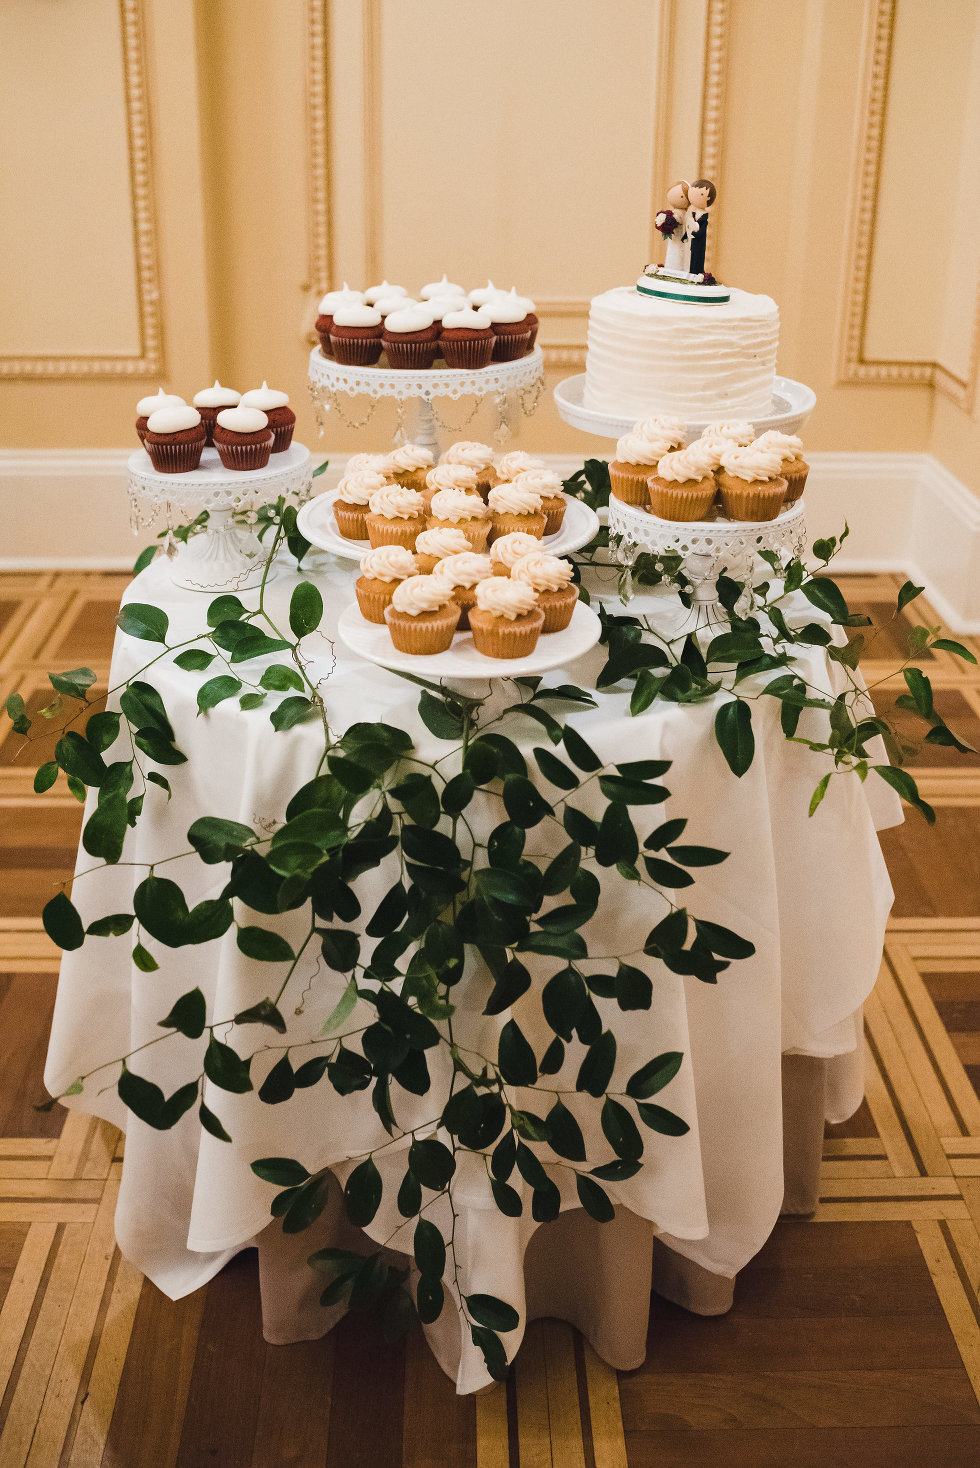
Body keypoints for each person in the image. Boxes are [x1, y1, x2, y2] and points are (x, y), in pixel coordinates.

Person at [655, 180, 691, 274]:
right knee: (673, 251)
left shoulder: (681, 214)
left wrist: (669, 220)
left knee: (679, 252)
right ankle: (672, 267)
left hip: (680, 238)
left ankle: (677, 269)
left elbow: (679, 220)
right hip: (675, 238)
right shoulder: (678, 212)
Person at [686, 178, 717, 278]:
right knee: (691, 256)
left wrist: (695, 234)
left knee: (698, 257)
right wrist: (686, 235)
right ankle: (691, 271)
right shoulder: (693, 213)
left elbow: (702, 230)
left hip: (699, 242)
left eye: (701, 194)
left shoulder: (704, 216)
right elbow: (689, 226)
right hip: (693, 241)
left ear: (708, 198)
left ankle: (696, 272)